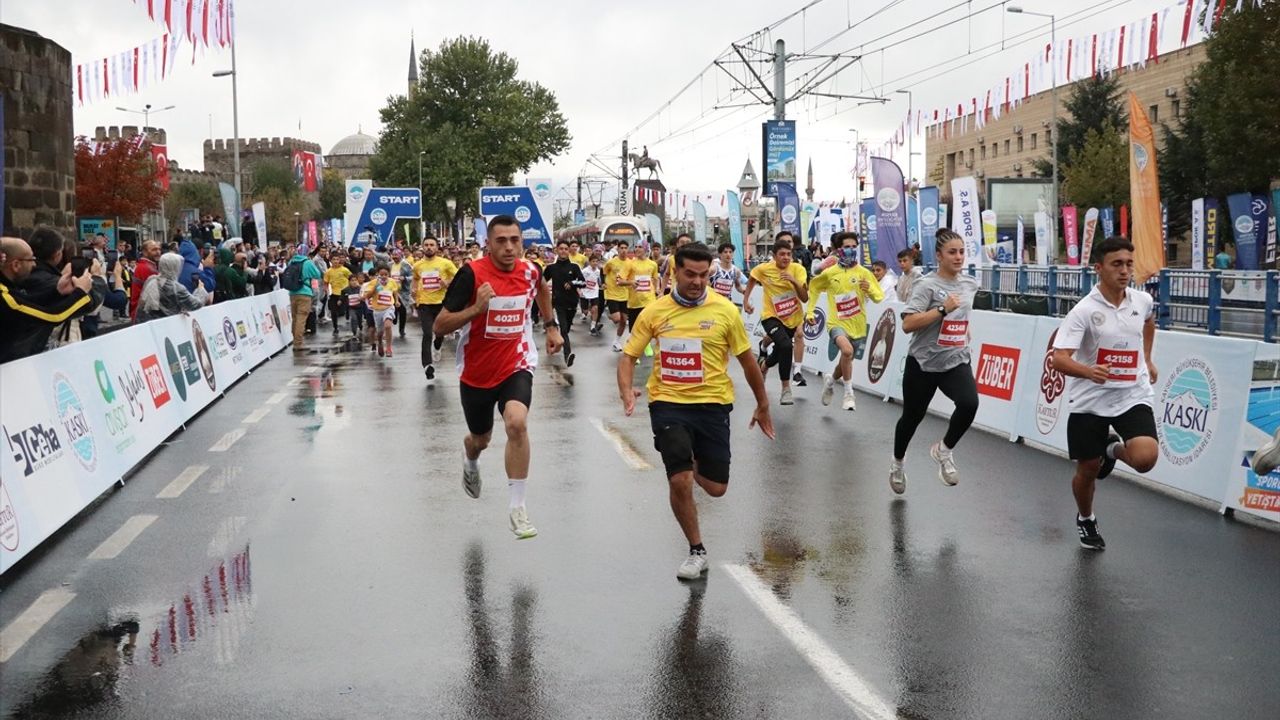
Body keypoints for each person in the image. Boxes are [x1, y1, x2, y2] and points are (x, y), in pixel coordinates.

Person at [617, 242, 774, 580]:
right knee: (681, 479)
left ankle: (686, 459)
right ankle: (696, 550)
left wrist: (763, 403)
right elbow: (629, 356)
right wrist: (626, 389)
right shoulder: (655, 312)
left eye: (705, 275)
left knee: (717, 488)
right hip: (668, 403)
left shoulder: (725, 312)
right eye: (690, 274)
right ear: (675, 271)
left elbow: (748, 362)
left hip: (712, 404)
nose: (698, 281)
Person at [434, 215, 564, 539]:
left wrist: (550, 327)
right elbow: (440, 325)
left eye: (514, 240)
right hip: (476, 372)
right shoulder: (471, 274)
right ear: (488, 244)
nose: (509, 247)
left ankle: (517, 508)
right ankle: (470, 456)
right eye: (501, 241)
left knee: (517, 423)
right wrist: (475, 310)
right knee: (481, 439)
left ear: (522, 242)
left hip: (516, 362)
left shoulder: (531, 270)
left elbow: (542, 290)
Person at [1051, 236, 1159, 550]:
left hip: (1131, 393)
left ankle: (1111, 450)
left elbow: (1150, 322)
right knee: (1087, 470)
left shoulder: (1141, 301)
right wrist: (1089, 371)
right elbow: (1059, 358)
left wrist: (1148, 358)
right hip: (1091, 399)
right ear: (1099, 268)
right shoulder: (1084, 311)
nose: (1124, 271)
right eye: (1116, 264)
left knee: (1145, 459)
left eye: (1128, 264)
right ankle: (1086, 519)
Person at [889, 229, 981, 495]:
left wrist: (963, 329)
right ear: (939, 256)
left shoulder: (970, 284)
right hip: (924, 362)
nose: (958, 257)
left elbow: (963, 316)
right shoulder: (926, 285)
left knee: (969, 403)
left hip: (955, 359)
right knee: (911, 418)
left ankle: (944, 451)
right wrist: (942, 310)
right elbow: (907, 324)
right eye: (952, 252)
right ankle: (897, 462)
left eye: (962, 251)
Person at [805, 231, 883, 411]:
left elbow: (879, 297)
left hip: (857, 325)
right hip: (836, 323)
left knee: (845, 360)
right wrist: (810, 313)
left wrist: (869, 289)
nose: (851, 250)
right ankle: (849, 394)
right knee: (846, 351)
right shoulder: (830, 273)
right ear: (838, 250)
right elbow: (814, 288)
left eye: (854, 247)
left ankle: (830, 381)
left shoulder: (864, 273)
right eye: (847, 247)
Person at [0, 236, 95, 363]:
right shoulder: (5, 298)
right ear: (16, 265)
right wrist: (81, 293)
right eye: (31, 259)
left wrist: (57, 291)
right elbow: (52, 317)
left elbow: (29, 303)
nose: (34, 264)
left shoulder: (7, 290)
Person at [743, 238, 808, 405]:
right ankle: (786, 389)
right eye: (782, 254)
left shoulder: (798, 269)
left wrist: (793, 280)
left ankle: (764, 366)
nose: (786, 257)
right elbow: (751, 279)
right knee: (786, 346)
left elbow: (804, 297)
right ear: (774, 256)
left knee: (781, 350)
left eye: (788, 254)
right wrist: (746, 301)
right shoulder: (764, 269)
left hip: (792, 317)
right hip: (770, 316)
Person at [412, 236, 458, 380]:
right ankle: (427, 365)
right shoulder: (418, 265)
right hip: (424, 303)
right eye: (426, 245)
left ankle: (437, 346)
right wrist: (414, 290)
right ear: (422, 247)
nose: (429, 247)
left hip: (441, 303)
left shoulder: (446, 263)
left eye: (432, 245)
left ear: (437, 247)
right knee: (427, 334)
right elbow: (415, 278)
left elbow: (459, 278)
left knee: (440, 332)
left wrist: (447, 282)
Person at [542, 240, 586, 367]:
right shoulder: (551, 268)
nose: (563, 251)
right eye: (561, 249)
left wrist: (572, 283)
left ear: (569, 251)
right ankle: (568, 355)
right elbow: (541, 283)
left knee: (565, 328)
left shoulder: (574, 267)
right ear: (556, 250)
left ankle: (553, 340)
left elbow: (583, 283)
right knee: (564, 330)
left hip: (572, 303)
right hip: (558, 303)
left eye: (566, 249)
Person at [136, 252, 210, 322]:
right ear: (175, 267)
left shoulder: (152, 279)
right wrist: (200, 290)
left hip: (149, 324)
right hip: (167, 326)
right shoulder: (175, 288)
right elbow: (196, 304)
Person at [283, 247, 322, 350]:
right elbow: (317, 275)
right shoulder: (308, 262)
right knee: (301, 318)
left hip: (292, 293)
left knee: (295, 318)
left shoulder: (292, 261)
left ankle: (295, 340)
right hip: (305, 292)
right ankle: (298, 343)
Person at [362, 264, 400, 357]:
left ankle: (389, 348)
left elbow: (395, 291)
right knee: (379, 332)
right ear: (378, 274)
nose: (383, 276)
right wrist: (375, 288)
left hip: (389, 307)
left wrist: (397, 301)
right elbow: (366, 296)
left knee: (388, 326)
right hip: (377, 310)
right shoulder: (373, 283)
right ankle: (379, 342)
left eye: (386, 274)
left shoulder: (392, 282)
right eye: (381, 274)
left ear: (389, 274)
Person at [622, 243, 660, 335]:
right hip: (634, 302)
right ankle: (636, 348)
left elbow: (655, 279)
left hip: (649, 301)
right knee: (634, 333)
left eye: (640, 247)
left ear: (646, 249)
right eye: (635, 247)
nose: (637, 249)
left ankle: (647, 349)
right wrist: (631, 282)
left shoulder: (653, 264)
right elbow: (619, 281)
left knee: (648, 330)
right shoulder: (630, 264)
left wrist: (657, 290)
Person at [603, 241, 632, 351]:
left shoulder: (630, 263)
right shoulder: (612, 262)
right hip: (612, 294)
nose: (624, 250)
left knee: (624, 321)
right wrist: (603, 283)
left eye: (625, 248)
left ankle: (616, 341)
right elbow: (604, 272)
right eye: (621, 248)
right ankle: (610, 315)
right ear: (618, 249)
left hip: (624, 295)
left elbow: (631, 277)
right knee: (617, 319)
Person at [129, 240, 162, 320]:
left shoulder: (146, 266)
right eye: (154, 250)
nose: (158, 252)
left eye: (159, 249)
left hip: (140, 311)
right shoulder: (147, 268)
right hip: (143, 313)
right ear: (144, 252)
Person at [323, 254, 353, 338]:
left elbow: (351, 278)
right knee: (333, 311)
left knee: (346, 308)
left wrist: (350, 288)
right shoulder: (328, 271)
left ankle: (348, 314)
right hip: (334, 293)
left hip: (344, 293)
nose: (336, 261)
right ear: (331, 261)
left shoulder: (345, 270)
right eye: (334, 259)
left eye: (337, 259)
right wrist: (326, 290)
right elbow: (325, 283)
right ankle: (335, 327)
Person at [580, 254, 604, 335]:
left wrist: (601, 285)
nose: (595, 263)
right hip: (585, 292)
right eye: (593, 261)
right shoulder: (585, 271)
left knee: (596, 308)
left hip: (594, 292)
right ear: (590, 262)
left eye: (596, 261)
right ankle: (587, 311)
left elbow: (598, 280)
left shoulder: (598, 271)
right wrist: (579, 290)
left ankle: (593, 326)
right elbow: (579, 280)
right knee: (585, 311)